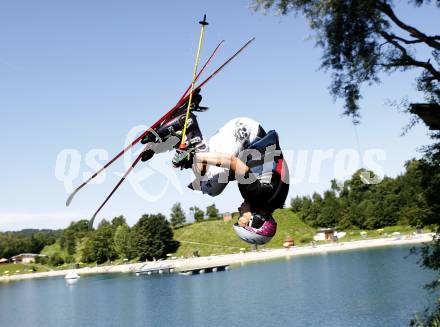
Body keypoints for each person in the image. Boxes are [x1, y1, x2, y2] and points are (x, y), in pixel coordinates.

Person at [141, 90, 290, 244]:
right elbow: (233, 163)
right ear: (256, 220)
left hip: (246, 138)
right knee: (210, 179)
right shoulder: (260, 196)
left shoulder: (269, 200)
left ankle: (181, 137)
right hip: (246, 133)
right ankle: (186, 125)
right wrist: (196, 158)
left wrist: (195, 164)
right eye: (242, 219)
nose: (238, 213)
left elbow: (242, 168)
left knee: (211, 185)